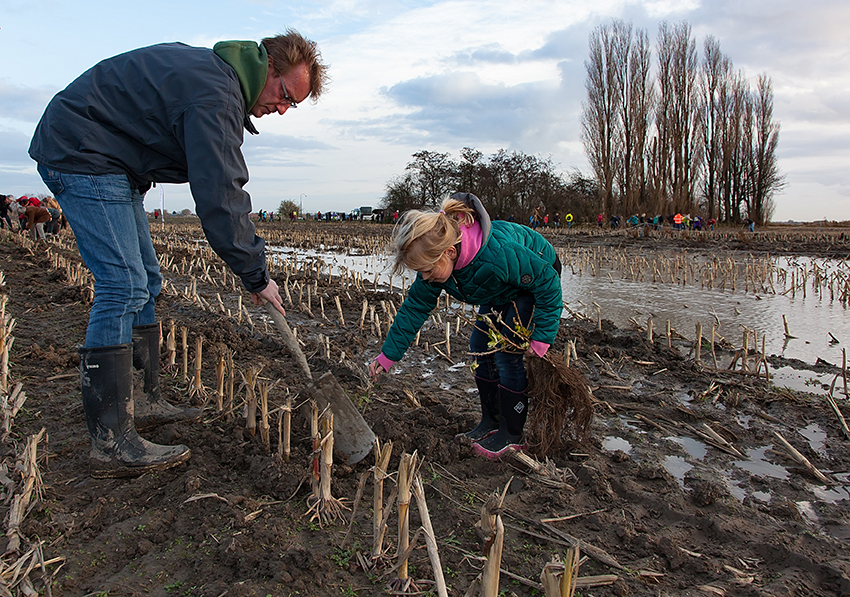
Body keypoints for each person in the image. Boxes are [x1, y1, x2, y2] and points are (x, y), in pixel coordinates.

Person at [29, 30, 329, 478]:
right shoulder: (214, 96)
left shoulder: (217, 83)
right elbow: (220, 197)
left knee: (147, 278)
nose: (283, 109)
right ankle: (110, 441)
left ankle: (144, 397)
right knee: (121, 284)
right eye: (285, 94)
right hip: (83, 151)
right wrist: (255, 274)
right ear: (268, 67)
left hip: (112, 161)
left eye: (293, 105)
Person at [368, 192, 563, 460]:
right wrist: (388, 356)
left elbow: (547, 280)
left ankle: (512, 435)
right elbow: (414, 309)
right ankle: (490, 422)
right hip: (499, 289)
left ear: (449, 252)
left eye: (427, 270)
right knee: (479, 346)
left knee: (507, 353)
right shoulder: (435, 269)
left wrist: (542, 336)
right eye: (420, 272)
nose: (424, 278)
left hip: (534, 278)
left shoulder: (497, 256)